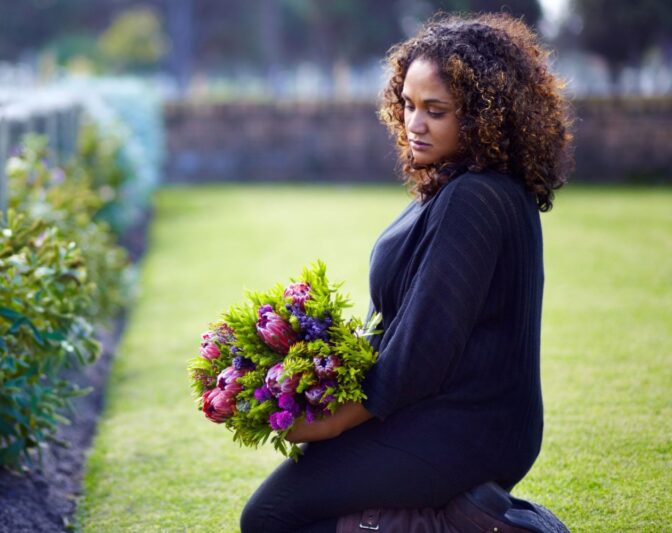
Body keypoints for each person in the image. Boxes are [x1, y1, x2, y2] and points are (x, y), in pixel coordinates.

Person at [240, 12, 573, 532]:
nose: (415, 124)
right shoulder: (457, 184)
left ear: (485, 115)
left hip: (467, 426)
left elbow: (422, 352)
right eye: (409, 104)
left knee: (272, 518)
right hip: (442, 412)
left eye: (435, 112)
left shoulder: (475, 197)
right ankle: (459, 517)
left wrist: (331, 424)